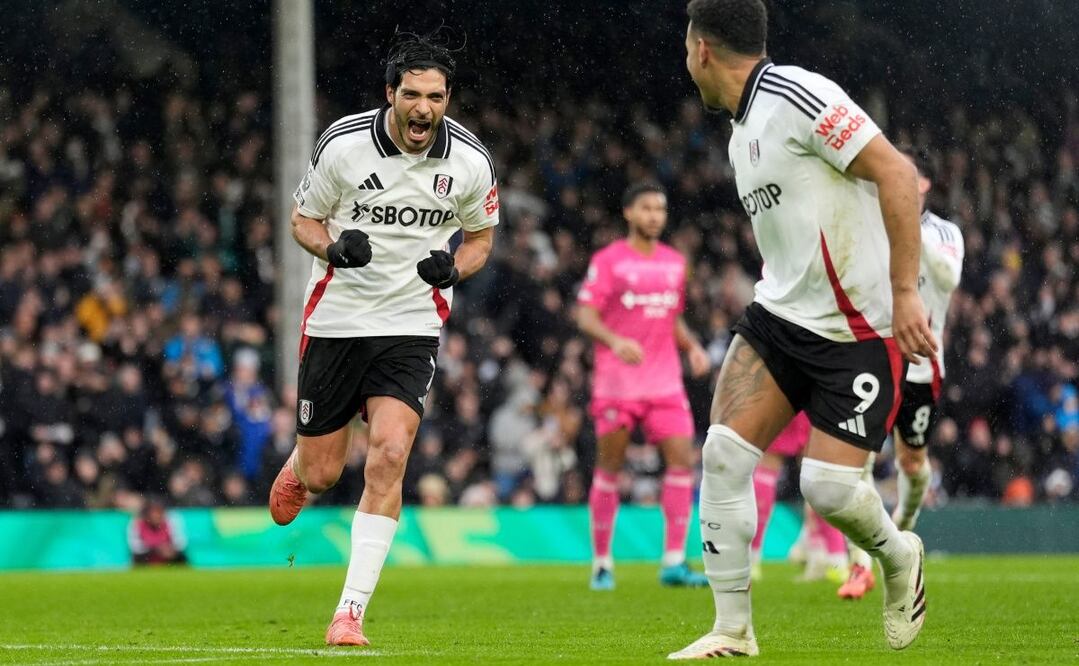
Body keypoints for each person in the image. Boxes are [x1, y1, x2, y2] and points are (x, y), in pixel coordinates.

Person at [670, 0, 936, 658]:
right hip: (780, 318)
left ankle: (898, 553)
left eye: (685, 48)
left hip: (857, 331)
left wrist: (905, 293)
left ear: (701, 48)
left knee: (828, 490)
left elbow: (897, 173)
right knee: (722, 454)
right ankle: (732, 631)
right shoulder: (741, 131)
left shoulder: (797, 93)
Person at [267, 30, 499, 648]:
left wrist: (455, 268)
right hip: (337, 320)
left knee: (390, 453)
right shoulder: (343, 146)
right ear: (390, 94)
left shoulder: (471, 162)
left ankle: (349, 613)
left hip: (411, 324)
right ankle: (300, 463)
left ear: (448, 98)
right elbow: (303, 219)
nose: (425, 107)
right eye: (413, 94)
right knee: (322, 475)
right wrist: (334, 248)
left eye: (436, 96)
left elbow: (480, 237)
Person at [839, 150, 964, 600]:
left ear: (923, 183)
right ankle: (858, 565)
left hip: (922, 366)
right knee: (853, 462)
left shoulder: (944, 232)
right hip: (869, 357)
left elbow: (948, 278)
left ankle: (903, 530)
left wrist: (905, 224)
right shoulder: (867, 223)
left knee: (912, 461)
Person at [576, 182, 712, 590]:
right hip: (618, 384)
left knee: (682, 463)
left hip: (665, 382)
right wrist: (616, 340)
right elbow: (585, 315)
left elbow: (670, 317)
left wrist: (692, 347)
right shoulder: (609, 261)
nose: (655, 215)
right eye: (647, 208)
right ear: (629, 213)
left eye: (661, 209)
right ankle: (602, 563)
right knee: (610, 469)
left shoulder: (675, 263)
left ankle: (673, 561)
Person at [750, 412, 849, 584]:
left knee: (769, 463)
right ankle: (836, 560)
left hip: (784, 393)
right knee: (819, 469)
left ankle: (750, 560)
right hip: (818, 394)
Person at [128, 498, 188, 565]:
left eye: (159, 512)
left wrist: (169, 548)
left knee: (181, 556)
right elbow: (135, 547)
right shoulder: (137, 523)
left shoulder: (172, 520)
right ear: (147, 514)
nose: (156, 516)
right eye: (153, 513)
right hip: (147, 557)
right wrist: (155, 549)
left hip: (169, 555)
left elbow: (181, 543)